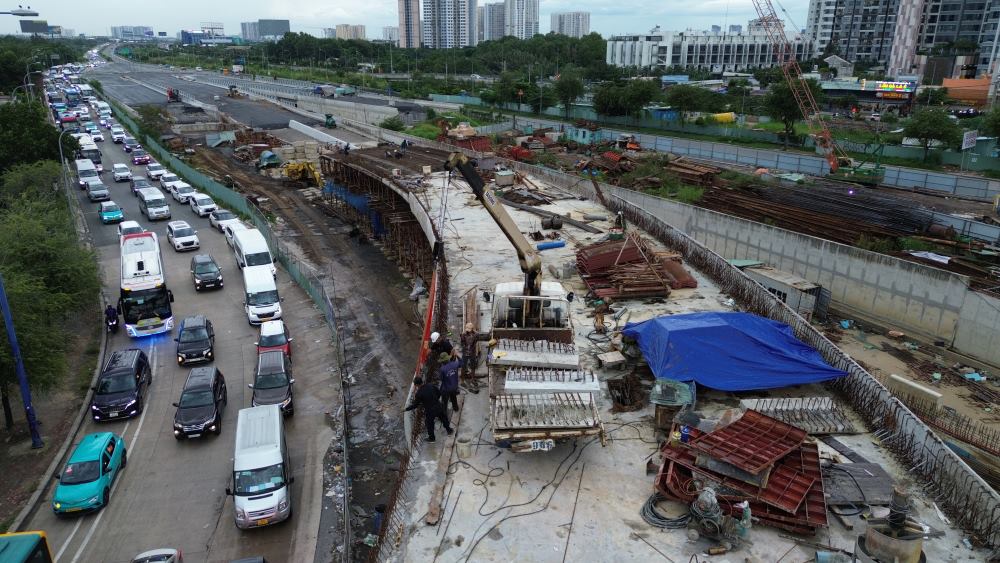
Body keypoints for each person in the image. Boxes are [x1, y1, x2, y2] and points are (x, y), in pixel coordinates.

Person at [404, 377, 453, 442]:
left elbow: (415, 405)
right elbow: (439, 393)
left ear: (416, 385)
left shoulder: (419, 393)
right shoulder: (430, 385)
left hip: (430, 410)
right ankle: (449, 430)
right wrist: (435, 400)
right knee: (444, 418)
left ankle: (432, 438)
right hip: (438, 406)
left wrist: (406, 409)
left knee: (429, 424)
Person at [460, 323, 480, 392]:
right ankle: (462, 380)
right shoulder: (463, 334)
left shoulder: (476, 334)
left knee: (473, 366)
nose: (468, 331)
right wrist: (465, 348)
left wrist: (472, 348)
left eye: (470, 329)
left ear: (472, 329)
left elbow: (476, 341)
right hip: (465, 352)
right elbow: (462, 343)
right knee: (463, 366)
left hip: (472, 352)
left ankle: (472, 379)